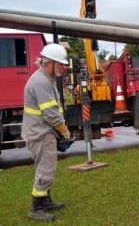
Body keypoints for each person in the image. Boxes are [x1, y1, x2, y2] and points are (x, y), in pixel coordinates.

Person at [22, 43, 71, 221]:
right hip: (40, 133)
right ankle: (36, 208)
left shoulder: (43, 79)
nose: (63, 68)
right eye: (60, 64)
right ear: (48, 63)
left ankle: (45, 201)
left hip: (40, 131)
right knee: (45, 168)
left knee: (45, 167)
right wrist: (64, 130)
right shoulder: (41, 82)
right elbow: (51, 113)